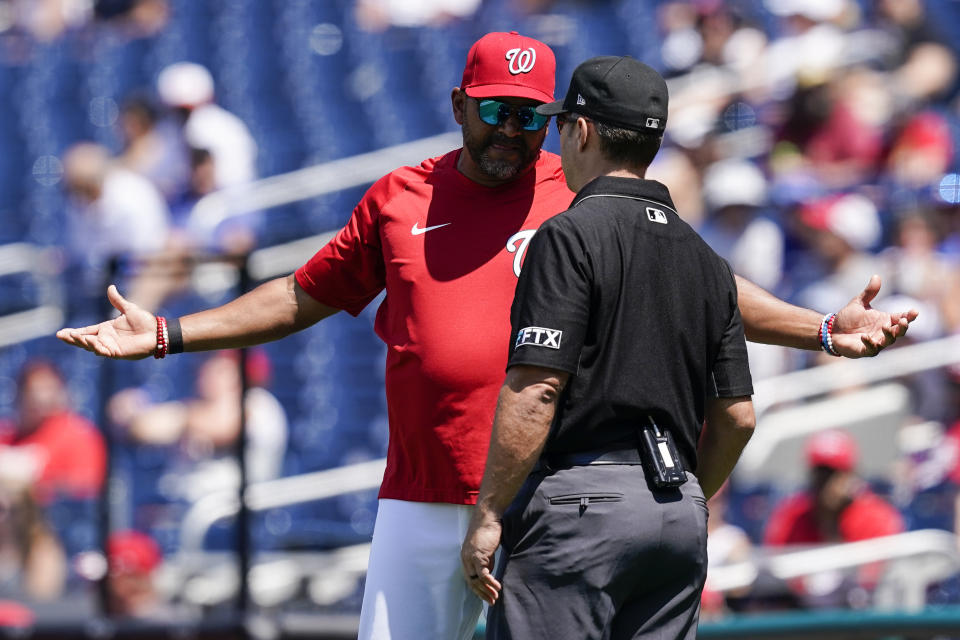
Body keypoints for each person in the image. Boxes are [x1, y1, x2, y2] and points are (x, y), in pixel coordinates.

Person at [58, 32, 917, 640]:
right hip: (425, 497)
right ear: (460, 103)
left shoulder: (576, 190)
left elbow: (703, 286)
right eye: (497, 111)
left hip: (547, 503)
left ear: (560, 119)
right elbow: (302, 295)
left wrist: (822, 330)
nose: (513, 131)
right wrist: (169, 332)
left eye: (531, 115)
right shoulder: (399, 197)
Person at [459, 55, 756, 639]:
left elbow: (538, 388)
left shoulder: (569, 234)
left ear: (583, 130)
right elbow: (739, 418)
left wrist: (490, 513)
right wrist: (686, 496)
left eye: (562, 125)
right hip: (677, 512)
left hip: (581, 509)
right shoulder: (708, 259)